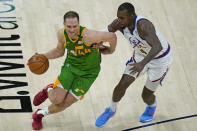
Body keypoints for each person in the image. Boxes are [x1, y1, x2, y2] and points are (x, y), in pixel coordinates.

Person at [30, 11, 117, 130]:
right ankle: (49, 89)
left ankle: (39, 114)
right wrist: (42, 56)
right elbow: (59, 52)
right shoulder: (61, 34)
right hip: (71, 67)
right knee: (56, 99)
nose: (72, 30)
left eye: (75, 26)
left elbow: (112, 36)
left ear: (79, 24)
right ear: (64, 25)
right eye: (69, 26)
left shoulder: (89, 36)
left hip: (88, 74)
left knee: (65, 103)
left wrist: (110, 50)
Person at [95, 2, 173, 127]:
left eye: (122, 18)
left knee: (146, 95)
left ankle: (151, 107)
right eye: (118, 17)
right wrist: (96, 43)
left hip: (160, 60)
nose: (119, 20)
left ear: (131, 16)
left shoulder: (143, 25)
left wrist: (142, 64)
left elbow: (157, 46)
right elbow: (101, 35)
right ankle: (111, 109)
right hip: (140, 56)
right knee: (122, 84)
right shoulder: (119, 24)